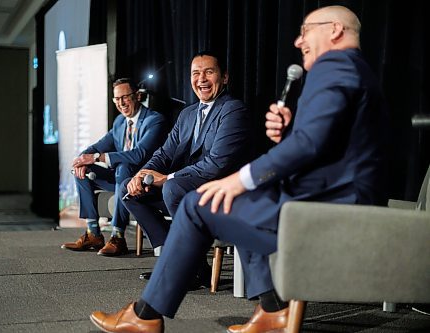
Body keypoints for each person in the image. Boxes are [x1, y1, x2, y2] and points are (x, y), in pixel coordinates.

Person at [89, 5, 388, 333]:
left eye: (306, 30)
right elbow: (326, 143)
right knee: (229, 205)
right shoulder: (351, 70)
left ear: (334, 30)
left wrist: (241, 180)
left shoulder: (336, 67)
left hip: (333, 204)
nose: (298, 39)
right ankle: (272, 310)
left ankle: (146, 315)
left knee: (199, 203)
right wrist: (290, 132)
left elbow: (308, 147)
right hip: (325, 195)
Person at [119, 51, 252, 282]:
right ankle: (177, 262)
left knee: (173, 188)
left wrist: (167, 178)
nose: (201, 79)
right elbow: (164, 153)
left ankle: (189, 268)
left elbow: (216, 165)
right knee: (127, 190)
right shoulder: (187, 114)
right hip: (185, 190)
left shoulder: (233, 110)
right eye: (196, 73)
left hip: (219, 193)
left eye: (209, 72)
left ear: (225, 77)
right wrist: (141, 175)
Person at [61, 78, 167, 256]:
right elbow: (98, 146)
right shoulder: (120, 122)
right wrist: (81, 159)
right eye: (117, 99)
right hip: (120, 179)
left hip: (143, 183)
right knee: (84, 171)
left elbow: (139, 155)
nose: (121, 103)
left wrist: (96, 157)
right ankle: (93, 233)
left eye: (125, 97)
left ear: (137, 96)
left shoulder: (154, 120)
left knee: (124, 166)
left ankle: (118, 236)